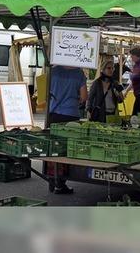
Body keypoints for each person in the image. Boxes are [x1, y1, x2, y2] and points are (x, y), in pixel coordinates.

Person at [48, 65, 88, 194]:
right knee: (67, 150)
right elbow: (84, 96)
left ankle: (52, 179)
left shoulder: (53, 71)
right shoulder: (79, 73)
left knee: (54, 148)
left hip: (53, 113)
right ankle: (61, 183)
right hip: (71, 114)